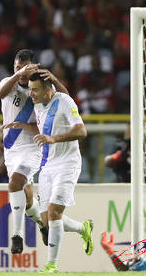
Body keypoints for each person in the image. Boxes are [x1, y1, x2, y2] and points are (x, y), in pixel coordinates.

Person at [0, 49, 67, 254]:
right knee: (26, 199)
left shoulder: (41, 90)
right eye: (18, 68)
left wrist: (53, 79)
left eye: (26, 68)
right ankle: (43, 225)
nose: (22, 73)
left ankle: (17, 235)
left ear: (34, 67)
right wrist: (17, 75)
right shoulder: (7, 84)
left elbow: (65, 102)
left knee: (15, 183)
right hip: (11, 150)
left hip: (34, 148)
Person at [28, 72, 93, 272]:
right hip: (47, 165)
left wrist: (54, 139)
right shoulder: (38, 104)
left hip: (67, 164)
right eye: (30, 89)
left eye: (35, 89)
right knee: (46, 219)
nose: (31, 94)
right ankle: (83, 228)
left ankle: (51, 265)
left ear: (48, 90)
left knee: (55, 212)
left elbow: (82, 131)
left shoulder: (64, 101)